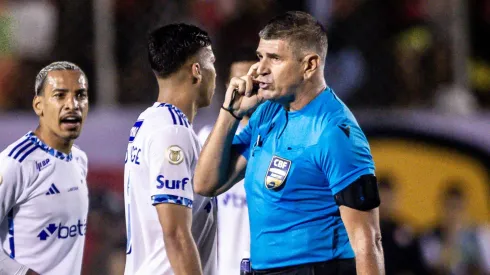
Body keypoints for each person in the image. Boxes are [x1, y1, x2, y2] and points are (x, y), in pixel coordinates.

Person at [194, 11, 384, 275]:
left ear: (309, 65)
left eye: (275, 58)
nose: (260, 69)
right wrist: (230, 113)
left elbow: (367, 240)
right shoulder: (267, 114)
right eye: (261, 57)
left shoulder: (334, 132)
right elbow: (206, 184)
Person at [123, 24, 218, 275]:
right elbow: (175, 234)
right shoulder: (172, 132)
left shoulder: (149, 121)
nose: (215, 74)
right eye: (212, 64)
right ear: (196, 71)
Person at [0, 61, 90, 275]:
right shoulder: (16, 163)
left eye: (80, 95)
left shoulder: (79, 159)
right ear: (38, 105)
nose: (72, 105)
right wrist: (22, 272)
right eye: (60, 96)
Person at [197, 47, 257, 275]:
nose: (247, 89)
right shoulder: (207, 140)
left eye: (253, 81)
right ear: (227, 87)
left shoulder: (278, 137)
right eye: (239, 82)